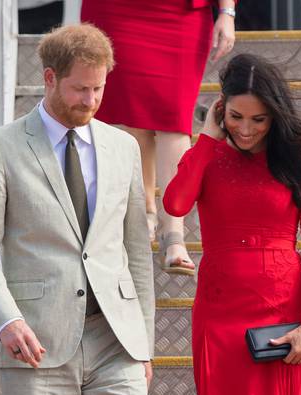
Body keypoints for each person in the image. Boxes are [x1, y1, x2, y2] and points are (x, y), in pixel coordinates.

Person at [0, 24, 155, 395]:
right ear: (50, 78)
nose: (91, 99)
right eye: (81, 88)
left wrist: (143, 342)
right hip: (34, 342)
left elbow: (136, 252)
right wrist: (5, 319)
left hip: (117, 343)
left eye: (98, 88)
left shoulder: (124, 147)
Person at [163, 54, 301, 395]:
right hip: (219, 313)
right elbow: (175, 203)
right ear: (221, 110)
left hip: (284, 312)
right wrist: (206, 140)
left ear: (275, 116)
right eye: (236, 117)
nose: (246, 129)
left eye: (259, 120)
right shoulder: (207, 156)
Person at [81, 0, 237, 276]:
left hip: (179, 14)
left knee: (174, 121)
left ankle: (173, 233)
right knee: (133, 116)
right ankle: (145, 212)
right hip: (117, 11)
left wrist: (226, 12)